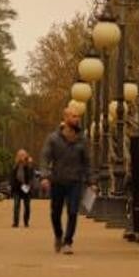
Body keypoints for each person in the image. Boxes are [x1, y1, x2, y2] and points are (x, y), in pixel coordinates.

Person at [39, 106, 92, 255]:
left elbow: (87, 162)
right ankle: (58, 235)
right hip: (58, 180)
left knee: (73, 212)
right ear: (65, 118)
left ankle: (68, 242)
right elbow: (45, 157)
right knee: (55, 213)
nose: (77, 119)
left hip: (75, 181)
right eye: (74, 116)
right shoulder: (53, 138)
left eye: (78, 116)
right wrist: (44, 176)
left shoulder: (82, 139)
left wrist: (91, 181)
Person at [11, 149, 35, 228]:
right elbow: (12, 177)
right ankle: (15, 222)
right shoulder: (15, 165)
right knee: (16, 205)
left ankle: (26, 222)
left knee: (27, 206)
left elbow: (31, 176)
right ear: (17, 156)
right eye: (20, 155)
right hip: (17, 188)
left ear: (26, 156)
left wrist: (28, 164)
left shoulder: (29, 165)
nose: (22, 156)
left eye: (23, 155)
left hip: (26, 188)